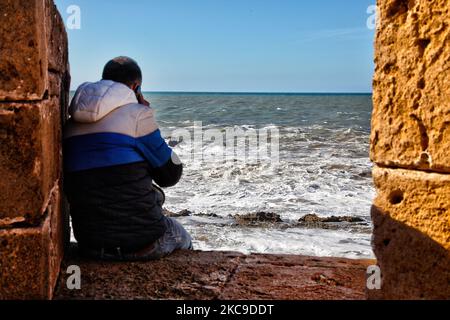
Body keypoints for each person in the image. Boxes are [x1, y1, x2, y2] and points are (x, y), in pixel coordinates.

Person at [63, 56, 193, 261]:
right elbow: (170, 175)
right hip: (142, 244)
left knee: (153, 194)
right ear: (136, 87)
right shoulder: (138, 116)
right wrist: (152, 125)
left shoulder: (70, 125)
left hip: (89, 245)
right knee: (181, 234)